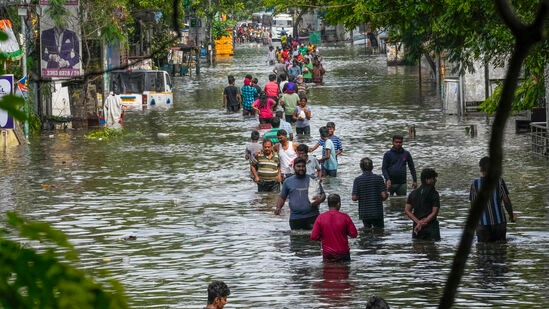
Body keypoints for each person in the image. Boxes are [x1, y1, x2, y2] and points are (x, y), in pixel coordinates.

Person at [469, 156, 516, 243]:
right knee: (500, 250)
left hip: (482, 224)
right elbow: (506, 201)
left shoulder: (474, 184)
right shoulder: (499, 181)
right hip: (499, 222)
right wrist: (511, 216)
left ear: (480, 168)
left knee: (482, 251)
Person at [274, 157, 326, 230]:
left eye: (303, 166)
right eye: (298, 166)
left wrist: (319, 200)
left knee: (314, 240)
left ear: (306, 167)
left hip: (312, 217)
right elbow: (282, 197)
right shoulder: (288, 181)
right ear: (294, 167)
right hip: (295, 218)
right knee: (296, 240)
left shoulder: (312, 179)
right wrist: (278, 208)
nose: (301, 168)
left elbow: (323, 195)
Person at [311, 194, 358, 262]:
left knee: (328, 271)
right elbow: (354, 234)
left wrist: (323, 237)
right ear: (338, 204)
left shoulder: (320, 218)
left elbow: (313, 236)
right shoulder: (345, 217)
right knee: (344, 271)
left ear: (328, 204)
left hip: (328, 254)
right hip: (343, 253)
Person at [351, 157, 389, 229]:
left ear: (361, 167)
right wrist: (387, 193)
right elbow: (384, 196)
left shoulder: (357, 180)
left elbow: (354, 198)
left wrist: (362, 195)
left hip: (364, 213)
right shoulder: (379, 178)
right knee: (379, 233)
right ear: (372, 167)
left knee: (366, 233)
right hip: (377, 212)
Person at [404, 168, 441, 241]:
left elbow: (407, 210)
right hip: (431, 228)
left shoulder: (413, 193)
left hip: (417, 228)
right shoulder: (434, 193)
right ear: (427, 180)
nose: (435, 181)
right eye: (433, 178)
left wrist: (418, 222)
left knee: (417, 249)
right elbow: (434, 212)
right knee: (432, 250)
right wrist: (423, 222)